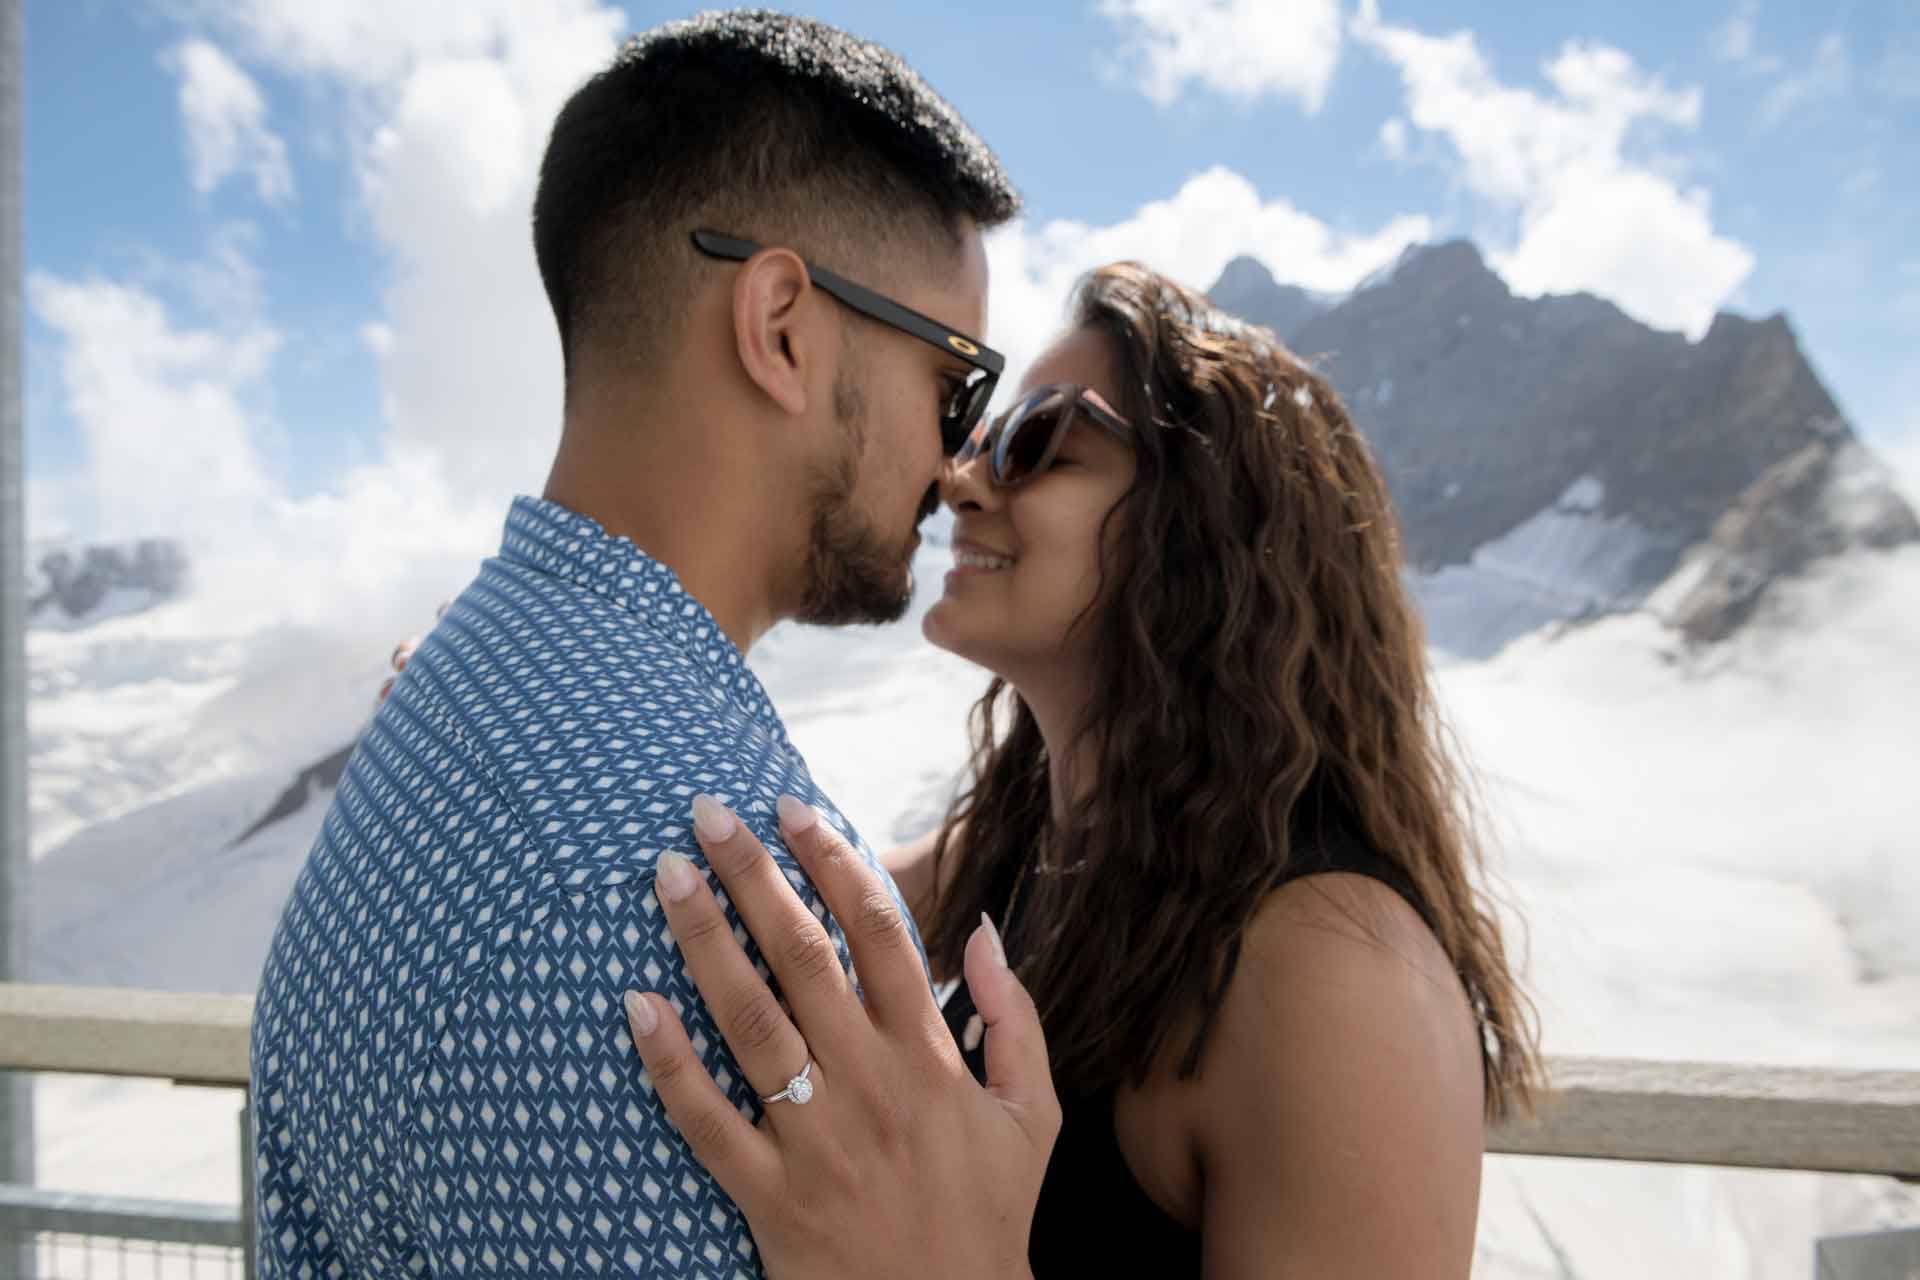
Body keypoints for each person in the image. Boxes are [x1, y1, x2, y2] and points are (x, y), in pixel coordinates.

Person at [249, 12, 1058, 1278]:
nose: (956, 459)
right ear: (783, 326)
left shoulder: (462, 690)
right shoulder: (698, 903)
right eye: (957, 380)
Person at [620, 263, 1546, 1276]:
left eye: (1039, 441)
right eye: (978, 437)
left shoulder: (1340, 977)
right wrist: (534, 701)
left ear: (1201, 529)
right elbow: (767, 920)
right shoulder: (1037, 845)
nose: (957, 479)